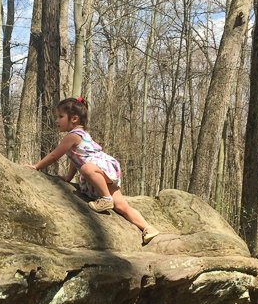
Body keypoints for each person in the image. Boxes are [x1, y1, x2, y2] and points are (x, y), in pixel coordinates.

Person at [27, 97, 160, 245]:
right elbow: (76, 158)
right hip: (100, 176)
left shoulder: (73, 136)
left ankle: (106, 199)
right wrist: (68, 177)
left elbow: (54, 155)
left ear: (75, 119)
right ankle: (147, 228)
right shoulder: (80, 135)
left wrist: (37, 166)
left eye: (60, 117)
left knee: (86, 168)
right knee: (122, 207)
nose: (56, 121)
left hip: (100, 168)